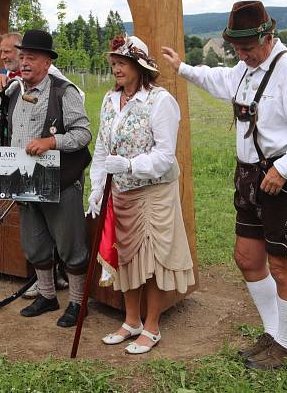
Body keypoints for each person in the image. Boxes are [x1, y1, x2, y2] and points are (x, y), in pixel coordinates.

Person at [161, 1, 287, 370]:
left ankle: (285, 345)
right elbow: (218, 79)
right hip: (248, 177)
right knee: (246, 258)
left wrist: (285, 167)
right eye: (237, 50)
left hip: (285, 180)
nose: (241, 57)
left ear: (268, 36)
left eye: (247, 49)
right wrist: (182, 68)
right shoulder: (244, 70)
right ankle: (273, 333)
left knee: (281, 266)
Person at [87, 35, 194, 354]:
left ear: (139, 65)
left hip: (154, 192)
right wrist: (96, 184)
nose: (116, 69)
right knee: (128, 257)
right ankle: (131, 320)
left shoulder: (159, 101)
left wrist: (130, 165)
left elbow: (165, 155)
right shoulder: (109, 100)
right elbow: (103, 148)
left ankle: (152, 326)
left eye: (122, 63)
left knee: (154, 261)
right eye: (114, 63)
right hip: (120, 192)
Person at [0, 29, 93, 328]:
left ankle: (78, 303)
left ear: (46, 62)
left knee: (70, 244)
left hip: (61, 179)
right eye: (23, 57)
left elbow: (83, 133)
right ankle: (47, 295)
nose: (25, 62)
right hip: (23, 176)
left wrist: (51, 142)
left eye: (32, 58)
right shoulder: (15, 89)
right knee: (34, 243)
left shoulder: (62, 91)